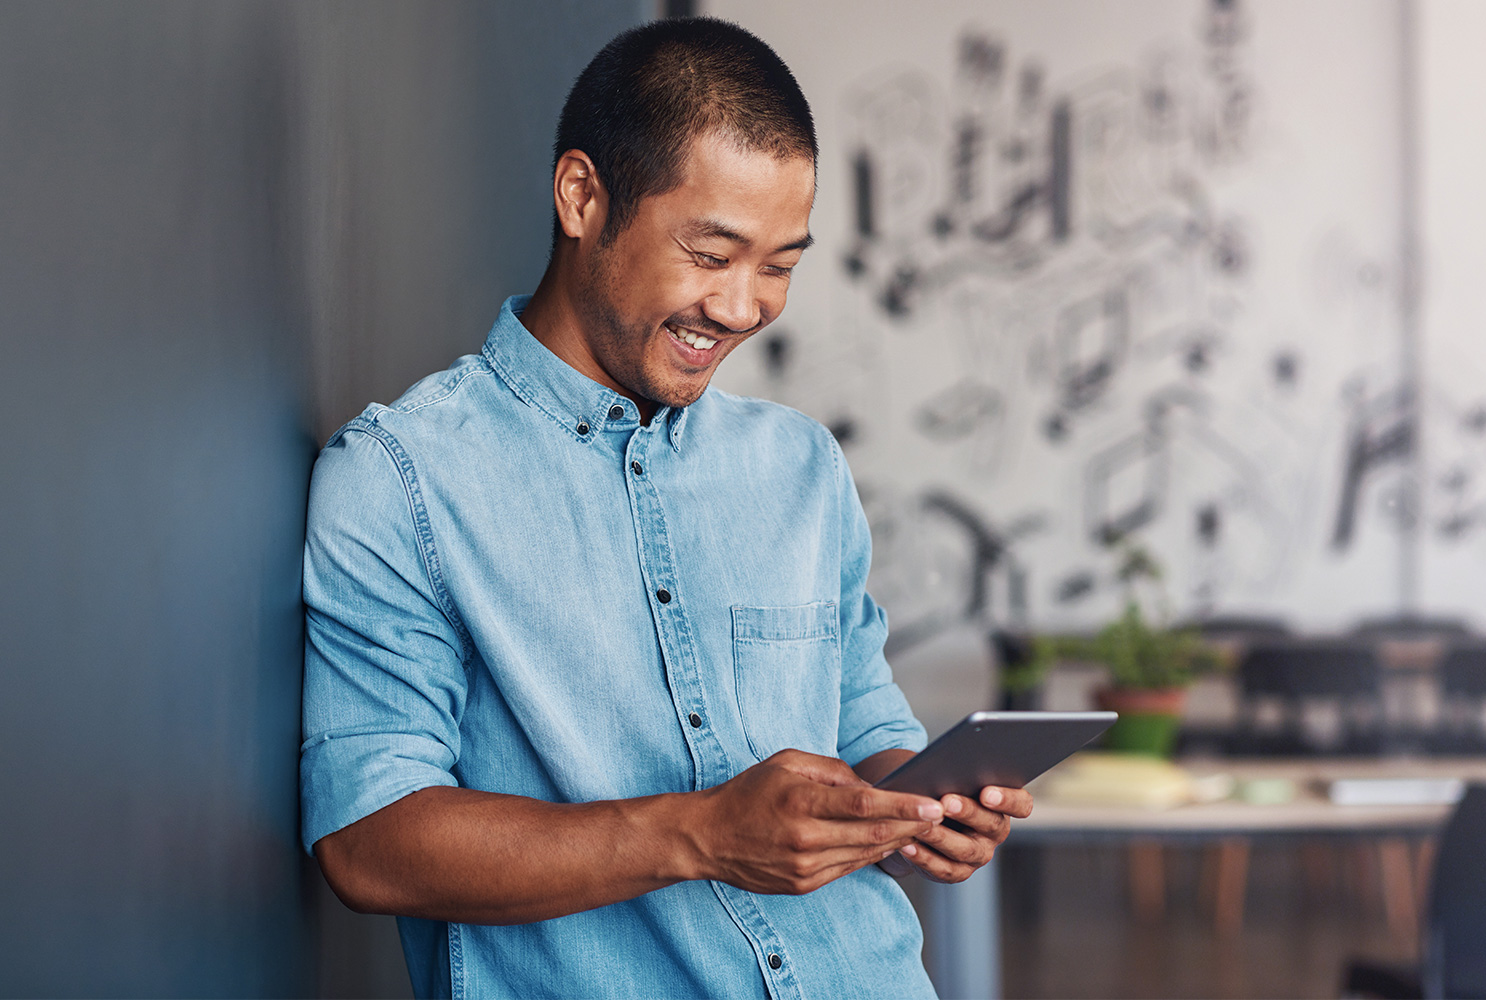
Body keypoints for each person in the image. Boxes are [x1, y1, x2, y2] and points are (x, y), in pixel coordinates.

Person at [300, 17, 1032, 999]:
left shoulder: (800, 466)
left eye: (778, 264)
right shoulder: (403, 476)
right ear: (581, 196)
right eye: (711, 251)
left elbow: (863, 726)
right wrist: (698, 834)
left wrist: (918, 805)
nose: (741, 307)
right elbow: (368, 843)